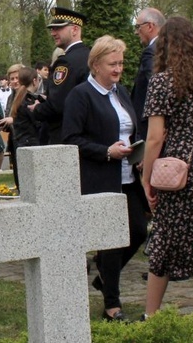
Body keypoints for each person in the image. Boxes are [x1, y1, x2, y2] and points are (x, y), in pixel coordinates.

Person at [63, 35, 148, 322]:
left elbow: (130, 129)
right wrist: (106, 152)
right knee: (112, 240)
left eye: (121, 63)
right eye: (112, 63)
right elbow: (71, 139)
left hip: (127, 176)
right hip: (100, 176)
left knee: (138, 231)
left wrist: (137, 149)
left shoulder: (121, 92)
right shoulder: (81, 95)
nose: (118, 69)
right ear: (95, 64)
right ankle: (112, 305)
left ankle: (104, 275)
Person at [139, 17, 193, 327]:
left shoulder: (161, 82)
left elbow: (156, 136)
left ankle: (151, 317)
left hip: (175, 172)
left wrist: (146, 180)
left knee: (165, 240)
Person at [31, 7, 90, 144]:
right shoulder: (90, 56)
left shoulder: (66, 62)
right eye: (52, 29)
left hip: (67, 136)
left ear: (74, 29)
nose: (53, 33)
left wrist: (37, 109)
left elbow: (58, 105)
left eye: (58, 28)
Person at [3, 66, 42, 185]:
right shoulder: (24, 99)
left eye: (17, 78)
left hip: (21, 140)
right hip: (26, 141)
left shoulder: (23, 97)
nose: (14, 81)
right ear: (34, 81)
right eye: (12, 78)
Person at [130, 8, 165, 140]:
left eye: (138, 27)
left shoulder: (151, 52)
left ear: (150, 26)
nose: (136, 32)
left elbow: (157, 87)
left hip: (151, 126)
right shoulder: (170, 48)